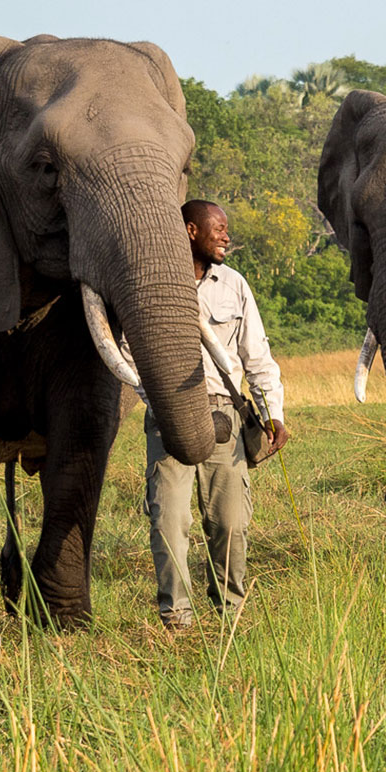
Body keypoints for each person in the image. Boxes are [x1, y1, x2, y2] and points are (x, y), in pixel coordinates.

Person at [133, 199, 288, 628]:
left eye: (226, 228)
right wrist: (157, 400)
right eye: (217, 228)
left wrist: (273, 411)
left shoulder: (234, 284)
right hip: (169, 417)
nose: (226, 235)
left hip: (225, 414)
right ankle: (176, 618)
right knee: (169, 521)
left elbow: (256, 354)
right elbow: (130, 352)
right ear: (189, 230)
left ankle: (230, 614)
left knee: (230, 523)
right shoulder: (152, 283)